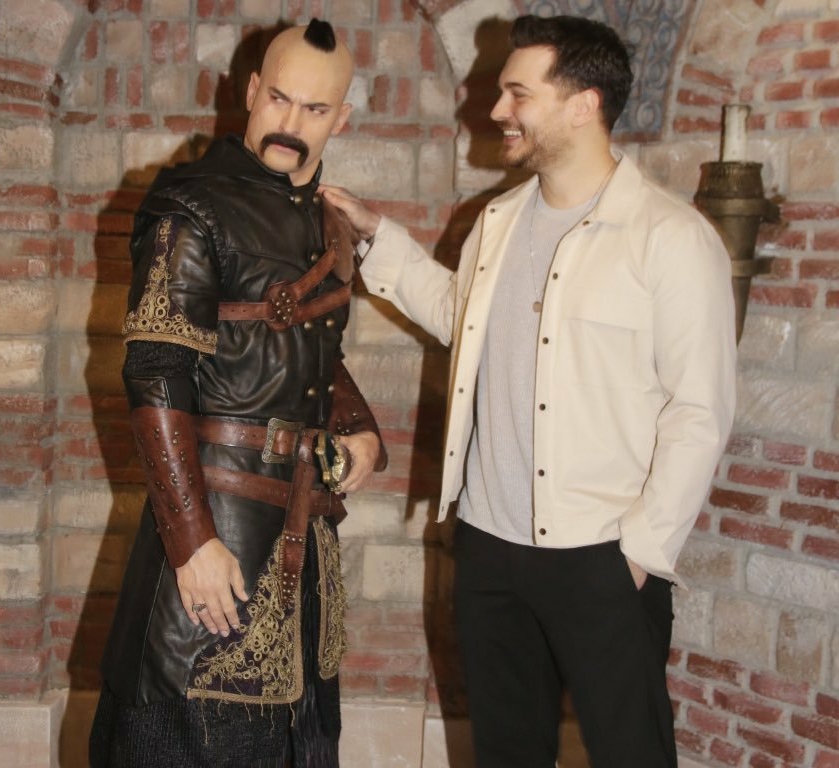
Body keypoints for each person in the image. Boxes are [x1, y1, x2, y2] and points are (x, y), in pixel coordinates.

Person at [322, 14, 736, 768]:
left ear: (583, 104)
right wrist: (377, 232)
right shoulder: (499, 219)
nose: (497, 110)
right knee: (507, 754)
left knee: (632, 755)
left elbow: (700, 411)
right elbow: (464, 318)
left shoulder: (670, 237)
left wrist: (637, 555)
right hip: (489, 549)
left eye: (519, 93)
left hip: (602, 554)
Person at [89, 19, 387, 768]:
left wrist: (359, 427)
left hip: (303, 539)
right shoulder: (190, 205)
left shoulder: (327, 222)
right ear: (251, 91)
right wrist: (191, 541)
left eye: (315, 109)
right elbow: (156, 372)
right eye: (279, 99)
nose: (291, 123)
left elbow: (317, 357)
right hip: (215, 540)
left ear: (342, 118)